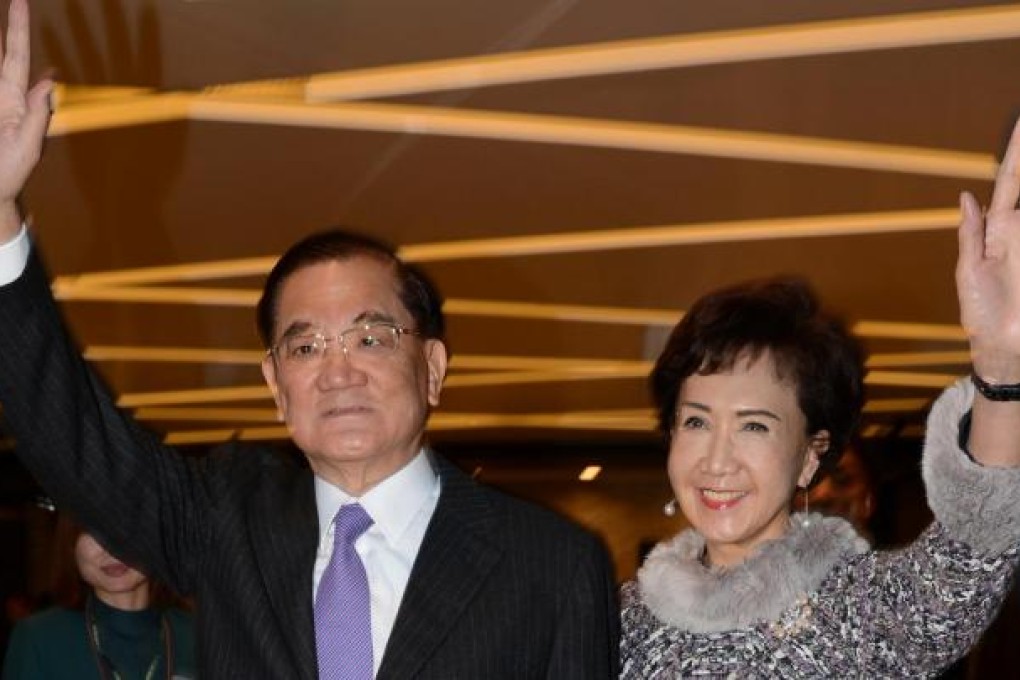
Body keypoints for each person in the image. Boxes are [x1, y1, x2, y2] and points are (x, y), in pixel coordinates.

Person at [0, 1, 620, 678]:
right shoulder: (227, 524)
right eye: (305, 347)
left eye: (372, 338)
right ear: (275, 385)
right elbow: (73, 434)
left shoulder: (551, 563)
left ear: (433, 366)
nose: (338, 370)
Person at [619, 117, 1020, 676]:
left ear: (811, 454)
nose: (716, 459)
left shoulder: (870, 611)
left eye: (754, 425)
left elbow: (977, 546)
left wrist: (1001, 368)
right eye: (696, 422)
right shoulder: (614, 624)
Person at [2, 515, 195, 680]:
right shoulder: (40, 638)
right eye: (92, 530)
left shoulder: (198, 636)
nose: (111, 548)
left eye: (128, 528)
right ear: (71, 546)